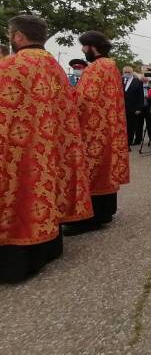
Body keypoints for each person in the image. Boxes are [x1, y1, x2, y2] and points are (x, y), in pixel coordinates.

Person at [0, 15, 92, 282]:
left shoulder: (12, 65)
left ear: (18, 36)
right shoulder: (55, 66)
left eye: (10, 34)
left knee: (20, 196)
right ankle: (47, 248)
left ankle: (18, 261)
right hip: (49, 148)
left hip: (19, 149)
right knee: (43, 194)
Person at [65, 30, 130, 235]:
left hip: (94, 129)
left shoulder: (97, 68)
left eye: (84, 46)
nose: (83, 50)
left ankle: (90, 219)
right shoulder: (110, 66)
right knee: (104, 169)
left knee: (93, 171)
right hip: (107, 126)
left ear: (92, 46)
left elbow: (84, 99)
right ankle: (105, 212)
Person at [122, 65, 144, 148]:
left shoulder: (137, 82)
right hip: (121, 108)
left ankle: (128, 144)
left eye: (129, 72)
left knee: (131, 127)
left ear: (132, 73)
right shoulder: (119, 80)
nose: (127, 74)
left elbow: (140, 96)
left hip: (133, 108)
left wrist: (139, 108)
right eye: (125, 72)